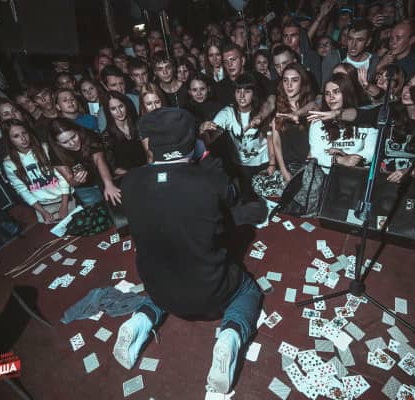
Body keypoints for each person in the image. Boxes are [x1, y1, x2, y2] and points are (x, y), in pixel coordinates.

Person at [115, 107, 266, 395]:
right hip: (210, 294)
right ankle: (231, 334)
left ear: (152, 144)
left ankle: (140, 319)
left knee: (167, 275)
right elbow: (232, 201)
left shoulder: (131, 181)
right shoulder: (207, 182)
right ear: (192, 141)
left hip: (159, 288)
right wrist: (205, 155)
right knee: (249, 291)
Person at [201, 73, 274, 201]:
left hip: (264, 162)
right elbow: (210, 138)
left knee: (269, 200)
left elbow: (271, 137)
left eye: (247, 91)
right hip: (242, 166)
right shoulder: (228, 113)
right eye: (238, 91)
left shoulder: (262, 110)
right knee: (247, 201)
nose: (241, 95)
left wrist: (272, 164)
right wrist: (203, 130)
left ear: (254, 93)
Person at [1, 119, 73, 223]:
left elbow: (63, 176)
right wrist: (42, 211)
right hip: (43, 206)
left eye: (24, 133)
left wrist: (64, 205)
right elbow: (22, 190)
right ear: (9, 140)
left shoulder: (45, 148)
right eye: (16, 136)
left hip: (65, 198)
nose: (23, 138)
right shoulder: (9, 163)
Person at [307, 73, 378, 174]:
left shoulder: (365, 119)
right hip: (327, 176)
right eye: (327, 93)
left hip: (358, 174)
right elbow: (316, 154)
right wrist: (340, 160)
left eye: (336, 92)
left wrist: (348, 158)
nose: (331, 97)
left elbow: (371, 152)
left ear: (347, 93)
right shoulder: (318, 121)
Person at [47, 118, 121, 206]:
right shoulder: (54, 153)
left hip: (103, 176)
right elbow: (70, 180)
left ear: (77, 130)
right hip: (84, 189)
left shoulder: (89, 135)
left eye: (73, 137)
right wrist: (77, 181)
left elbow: (99, 160)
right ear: (58, 143)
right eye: (65, 142)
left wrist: (109, 185)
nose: (72, 143)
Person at [272, 64, 316, 183]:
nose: (289, 85)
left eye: (295, 80)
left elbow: (315, 104)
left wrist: (297, 113)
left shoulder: (310, 106)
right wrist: (284, 171)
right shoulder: (278, 106)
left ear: (302, 82)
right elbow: (276, 142)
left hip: (308, 165)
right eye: (285, 80)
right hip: (287, 166)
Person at [101, 91, 146, 177]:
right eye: (113, 109)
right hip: (126, 176)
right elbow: (114, 168)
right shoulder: (107, 135)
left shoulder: (139, 124)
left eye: (121, 106)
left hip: (147, 169)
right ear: (108, 111)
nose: (119, 112)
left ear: (126, 105)